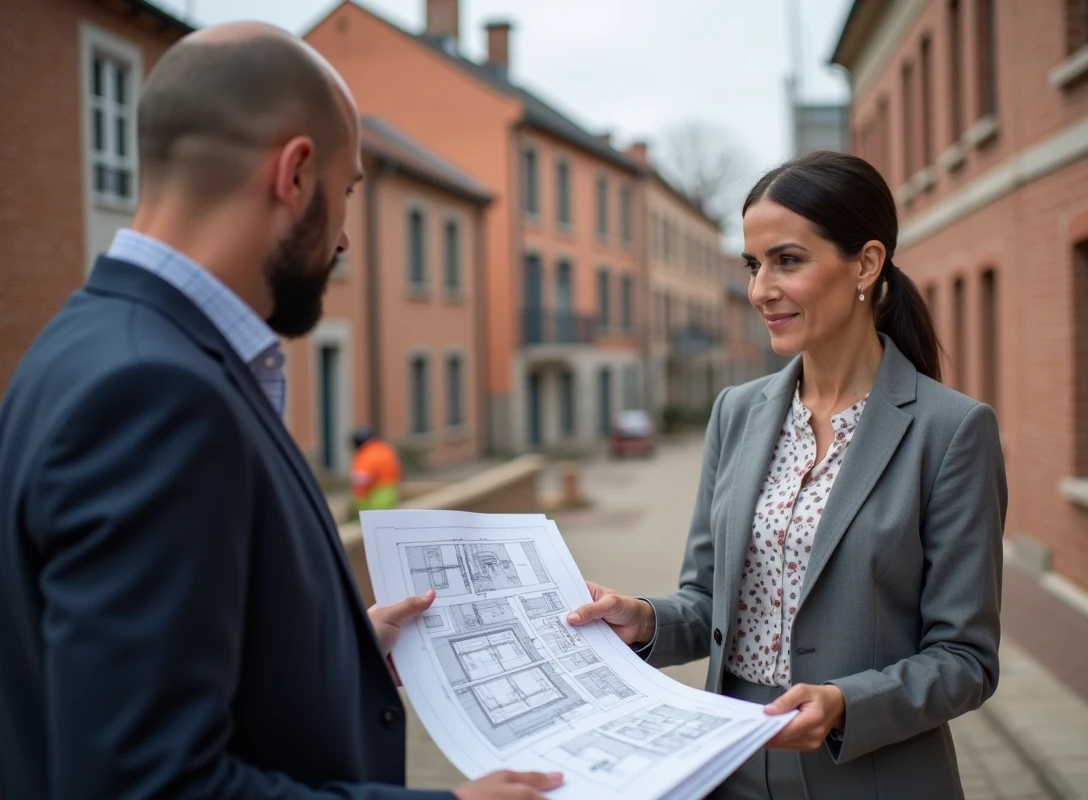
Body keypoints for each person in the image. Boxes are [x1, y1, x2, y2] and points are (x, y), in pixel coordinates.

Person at [0, 22, 561, 800]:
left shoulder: (79, 342)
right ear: (295, 174)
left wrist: (339, 651)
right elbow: (144, 783)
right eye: (348, 192)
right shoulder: (157, 396)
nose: (345, 240)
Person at [568, 151, 1007, 799]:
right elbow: (709, 599)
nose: (760, 290)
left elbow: (966, 659)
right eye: (754, 265)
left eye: (788, 261)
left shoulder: (952, 431)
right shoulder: (736, 412)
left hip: (870, 777)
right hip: (731, 763)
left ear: (866, 264)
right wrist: (644, 618)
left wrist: (846, 704)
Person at [349, 427, 403, 520]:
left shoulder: (367, 453)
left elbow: (362, 478)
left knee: (372, 523)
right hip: (390, 492)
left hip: (374, 496)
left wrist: (357, 498)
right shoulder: (384, 448)